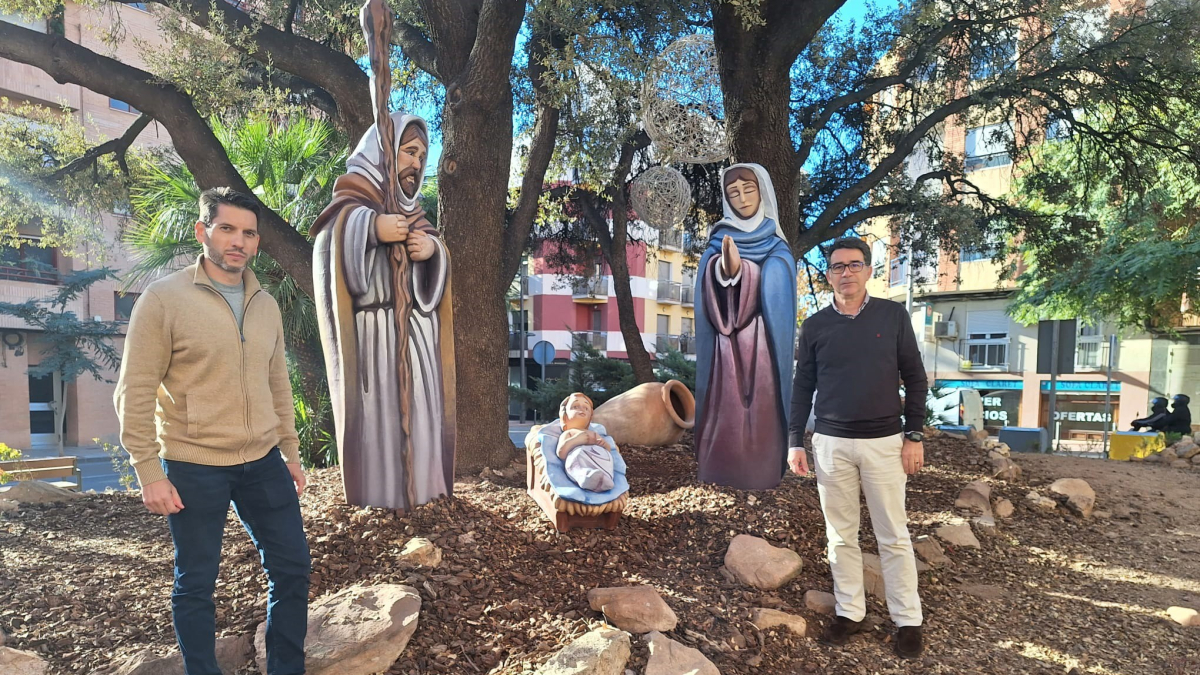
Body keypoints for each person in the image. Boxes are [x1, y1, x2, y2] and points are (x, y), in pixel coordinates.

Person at [114, 187, 309, 675]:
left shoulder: (265, 303)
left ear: (257, 242)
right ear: (204, 232)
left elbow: (277, 382)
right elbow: (135, 389)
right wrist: (147, 470)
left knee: (292, 569)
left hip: (263, 460)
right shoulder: (164, 299)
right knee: (196, 581)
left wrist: (290, 452)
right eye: (227, 229)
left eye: (248, 233)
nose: (237, 241)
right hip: (193, 462)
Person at [787, 237, 928, 659]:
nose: (845, 273)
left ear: (868, 270)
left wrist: (914, 435)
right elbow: (802, 387)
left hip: (885, 443)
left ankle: (908, 620)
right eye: (836, 267)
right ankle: (850, 613)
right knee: (840, 537)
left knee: (894, 535)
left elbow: (916, 378)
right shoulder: (815, 326)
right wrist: (796, 440)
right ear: (828, 275)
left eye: (853, 265)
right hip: (830, 443)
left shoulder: (893, 315)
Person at [311, 112, 456, 510]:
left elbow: (436, 279)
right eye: (409, 151)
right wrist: (371, 228)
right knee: (382, 423)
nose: (416, 164)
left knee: (423, 422)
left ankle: (426, 494)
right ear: (384, 153)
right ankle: (382, 498)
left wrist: (432, 253)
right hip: (375, 335)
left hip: (419, 337)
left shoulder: (419, 218)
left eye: (422, 157)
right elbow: (328, 246)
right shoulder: (350, 206)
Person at [693, 163, 797, 489]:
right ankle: (720, 467)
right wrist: (727, 271)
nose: (741, 197)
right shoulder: (719, 238)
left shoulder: (777, 243)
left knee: (762, 407)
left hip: (763, 341)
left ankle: (762, 470)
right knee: (725, 406)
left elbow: (781, 275)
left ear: (762, 191)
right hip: (726, 343)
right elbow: (709, 277)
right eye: (733, 192)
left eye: (748, 189)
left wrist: (746, 272)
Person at [552, 394, 618, 492]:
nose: (582, 409)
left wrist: (604, 445)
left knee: (608, 457)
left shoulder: (594, 433)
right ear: (565, 416)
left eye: (586, 408)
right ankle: (584, 476)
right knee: (575, 458)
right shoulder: (569, 433)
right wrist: (576, 440)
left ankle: (605, 478)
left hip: (597, 457)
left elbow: (607, 449)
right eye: (575, 407)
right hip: (580, 458)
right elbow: (561, 453)